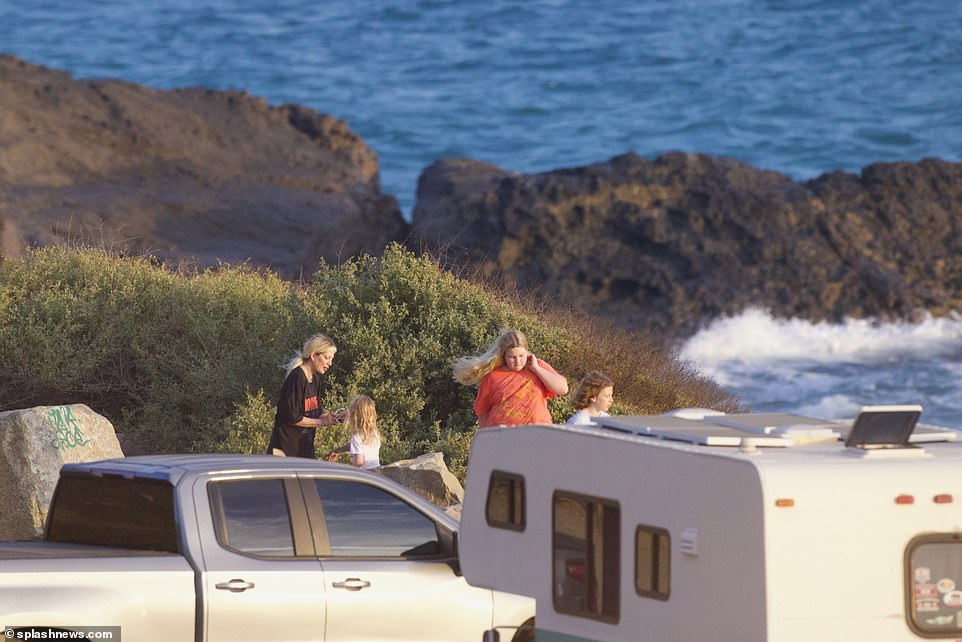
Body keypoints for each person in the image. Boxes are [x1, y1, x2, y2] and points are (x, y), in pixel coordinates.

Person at [453, 328, 568, 428]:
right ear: (503, 356)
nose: (517, 361)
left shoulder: (538, 366)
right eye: (512, 357)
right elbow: (482, 412)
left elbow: (563, 389)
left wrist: (536, 369)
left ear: (526, 351)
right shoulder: (492, 376)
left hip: (538, 434)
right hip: (504, 439)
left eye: (521, 356)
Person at [267, 333, 342, 458]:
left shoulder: (315, 380)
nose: (330, 363)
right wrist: (321, 423)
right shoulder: (296, 378)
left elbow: (315, 413)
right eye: (327, 357)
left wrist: (333, 418)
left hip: (304, 452)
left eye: (331, 359)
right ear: (313, 355)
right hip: (285, 454)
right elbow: (292, 417)